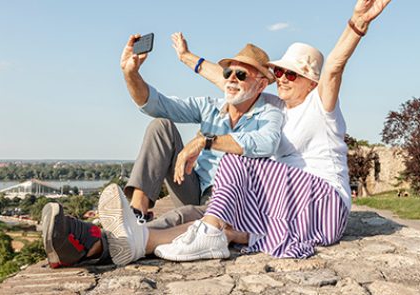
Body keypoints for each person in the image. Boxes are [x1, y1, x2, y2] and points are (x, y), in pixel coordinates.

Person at [153, 0, 392, 261]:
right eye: (279, 72)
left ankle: (209, 232)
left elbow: (335, 67)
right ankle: (146, 238)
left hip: (325, 203)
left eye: (291, 75)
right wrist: (188, 58)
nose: (282, 79)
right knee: (227, 210)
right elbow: (230, 79)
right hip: (292, 210)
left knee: (235, 157)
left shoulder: (320, 104)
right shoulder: (275, 106)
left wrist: (357, 23)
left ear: (312, 82)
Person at [41, 38, 284, 267]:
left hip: (231, 200)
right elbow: (155, 103)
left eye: (240, 74)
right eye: (227, 72)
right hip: (195, 185)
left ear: (261, 84)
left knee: (184, 216)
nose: (231, 79)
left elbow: (266, 142)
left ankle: (98, 244)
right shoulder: (211, 107)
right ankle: (136, 214)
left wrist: (206, 141)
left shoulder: (269, 112)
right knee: (161, 126)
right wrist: (131, 74)